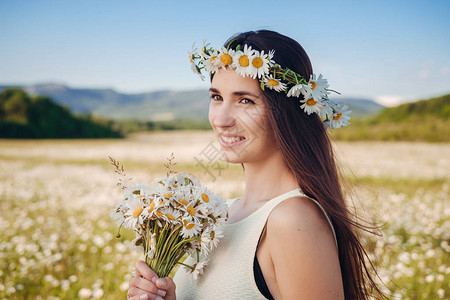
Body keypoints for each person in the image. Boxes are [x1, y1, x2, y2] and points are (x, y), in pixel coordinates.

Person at [127, 29, 384, 299]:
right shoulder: (221, 215)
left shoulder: (292, 220)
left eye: (246, 101)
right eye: (216, 97)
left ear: (287, 111)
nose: (222, 119)